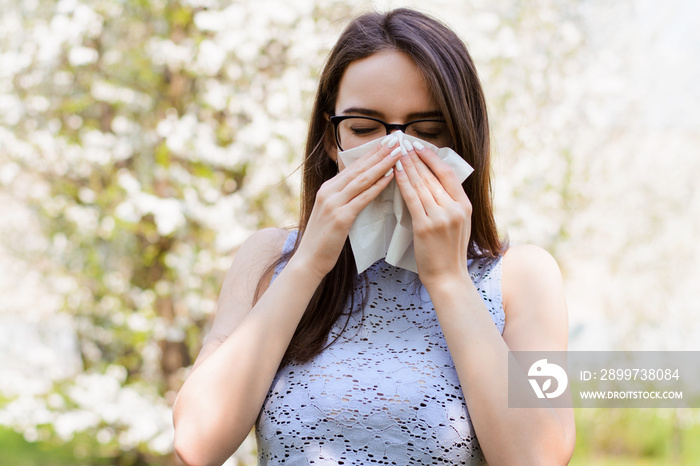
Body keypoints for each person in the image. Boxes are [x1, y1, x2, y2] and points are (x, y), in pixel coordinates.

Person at [173, 8, 575, 466]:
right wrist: (308, 264)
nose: (395, 151)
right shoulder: (268, 258)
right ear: (331, 138)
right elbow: (195, 442)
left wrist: (448, 280)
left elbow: (540, 456)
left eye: (427, 132)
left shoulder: (522, 277)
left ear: (464, 139)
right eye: (364, 129)